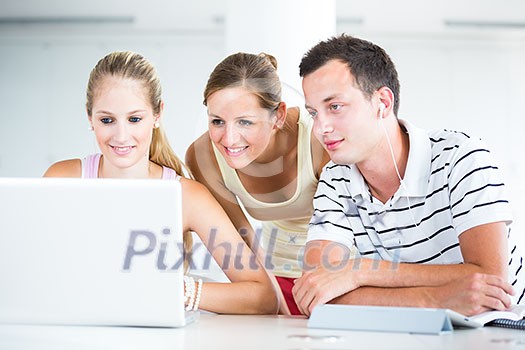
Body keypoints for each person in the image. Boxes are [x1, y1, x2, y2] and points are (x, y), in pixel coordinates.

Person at [291, 34, 525, 317]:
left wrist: (358, 271)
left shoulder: (461, 156)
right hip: (411, 331)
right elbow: (315, 291)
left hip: (506, 329)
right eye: (314, 113)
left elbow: (492, 282)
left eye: (335, 107)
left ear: (383, 102)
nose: (321, 128)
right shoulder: (336, 178)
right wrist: (436, 299)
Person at [44, 51, 278, 315]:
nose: (121, 136)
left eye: (134, 119)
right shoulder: (61, 180)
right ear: (90, 118)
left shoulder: (187, 197)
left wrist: (177, 291)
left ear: (157, 115)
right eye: (107, 120)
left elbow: (263, 297)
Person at [185, 52, 330, 315]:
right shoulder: (202, 156)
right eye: (217, 121)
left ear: (278, 115)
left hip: (338, 274)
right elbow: (244, 243)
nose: (229, 139)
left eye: (245, 122)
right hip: (277, 277)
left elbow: (341, 229)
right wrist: (274, 299)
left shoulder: (318, 140)